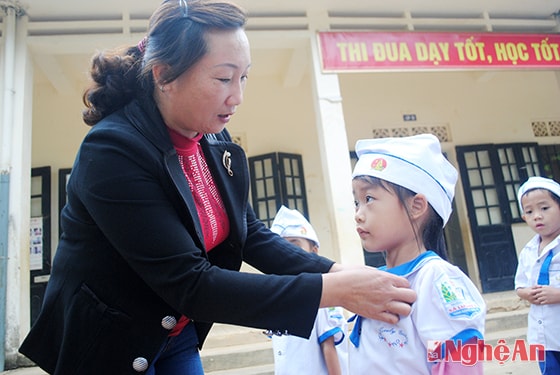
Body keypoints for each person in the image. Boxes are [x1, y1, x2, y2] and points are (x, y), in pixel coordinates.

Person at [18, 1, 416, 374]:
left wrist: (338, 271)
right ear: (164, 75)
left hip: (173, 333)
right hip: (105, 343)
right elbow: (191, 282)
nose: (238, 96)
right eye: (223, 77)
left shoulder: (214, 143)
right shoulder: (113, 151)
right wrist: (333, 290)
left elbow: (251, 235)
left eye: (243, 77)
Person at [347, 134, 486, 374]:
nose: (359, 214)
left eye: (369, 199)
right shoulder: (375, 280)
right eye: (356, 202)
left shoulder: (434, 279)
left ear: (417, 206)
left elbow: (461, 362)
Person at [269, 205, 348, 375]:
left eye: (294, 245)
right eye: (280, 248)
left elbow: (329, 347)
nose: (287, 254)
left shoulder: (324, 292)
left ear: (314, 252)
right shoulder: (280, 295)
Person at [515, 176, 560, 374]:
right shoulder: (528, 251)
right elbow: (520, 285)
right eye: (530, 211)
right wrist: (527, 293)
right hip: (544, 337)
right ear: (524, 218)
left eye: (544, 208)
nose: (537, 216)